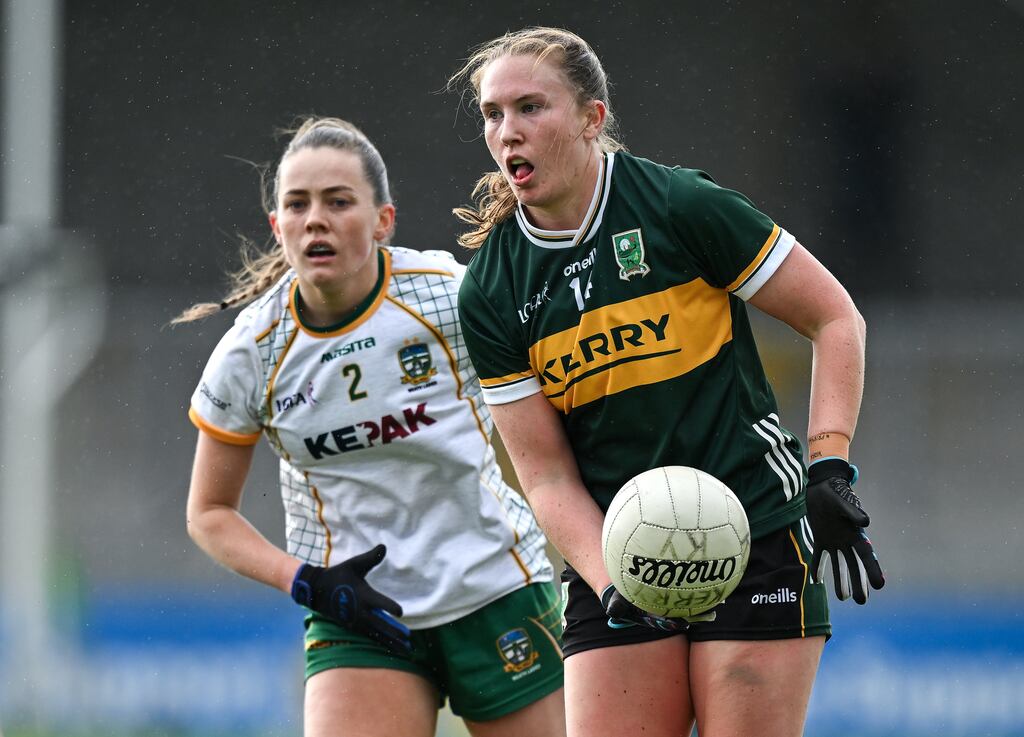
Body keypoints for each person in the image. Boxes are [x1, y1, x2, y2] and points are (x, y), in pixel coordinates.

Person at [449, 27, 885, 737]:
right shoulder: (492, 289)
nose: (509, 132)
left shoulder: (678, 206)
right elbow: (549, 476)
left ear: (592, 118)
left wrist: (828, 462)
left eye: (531, 107)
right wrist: (611, 578)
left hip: (754, 532)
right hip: (616, 557)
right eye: (494, 115)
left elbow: (835, 317)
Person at [176, 116, 565, 737]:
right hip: (355, 612)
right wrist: (306, 582)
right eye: (297, 205)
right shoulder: (251, 350)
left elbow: (550, 410)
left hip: (495, 592)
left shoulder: (447, 296)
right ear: (278, 228)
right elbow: (208, 513)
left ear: (383, 220)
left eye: (338, 202)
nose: (316, 220)